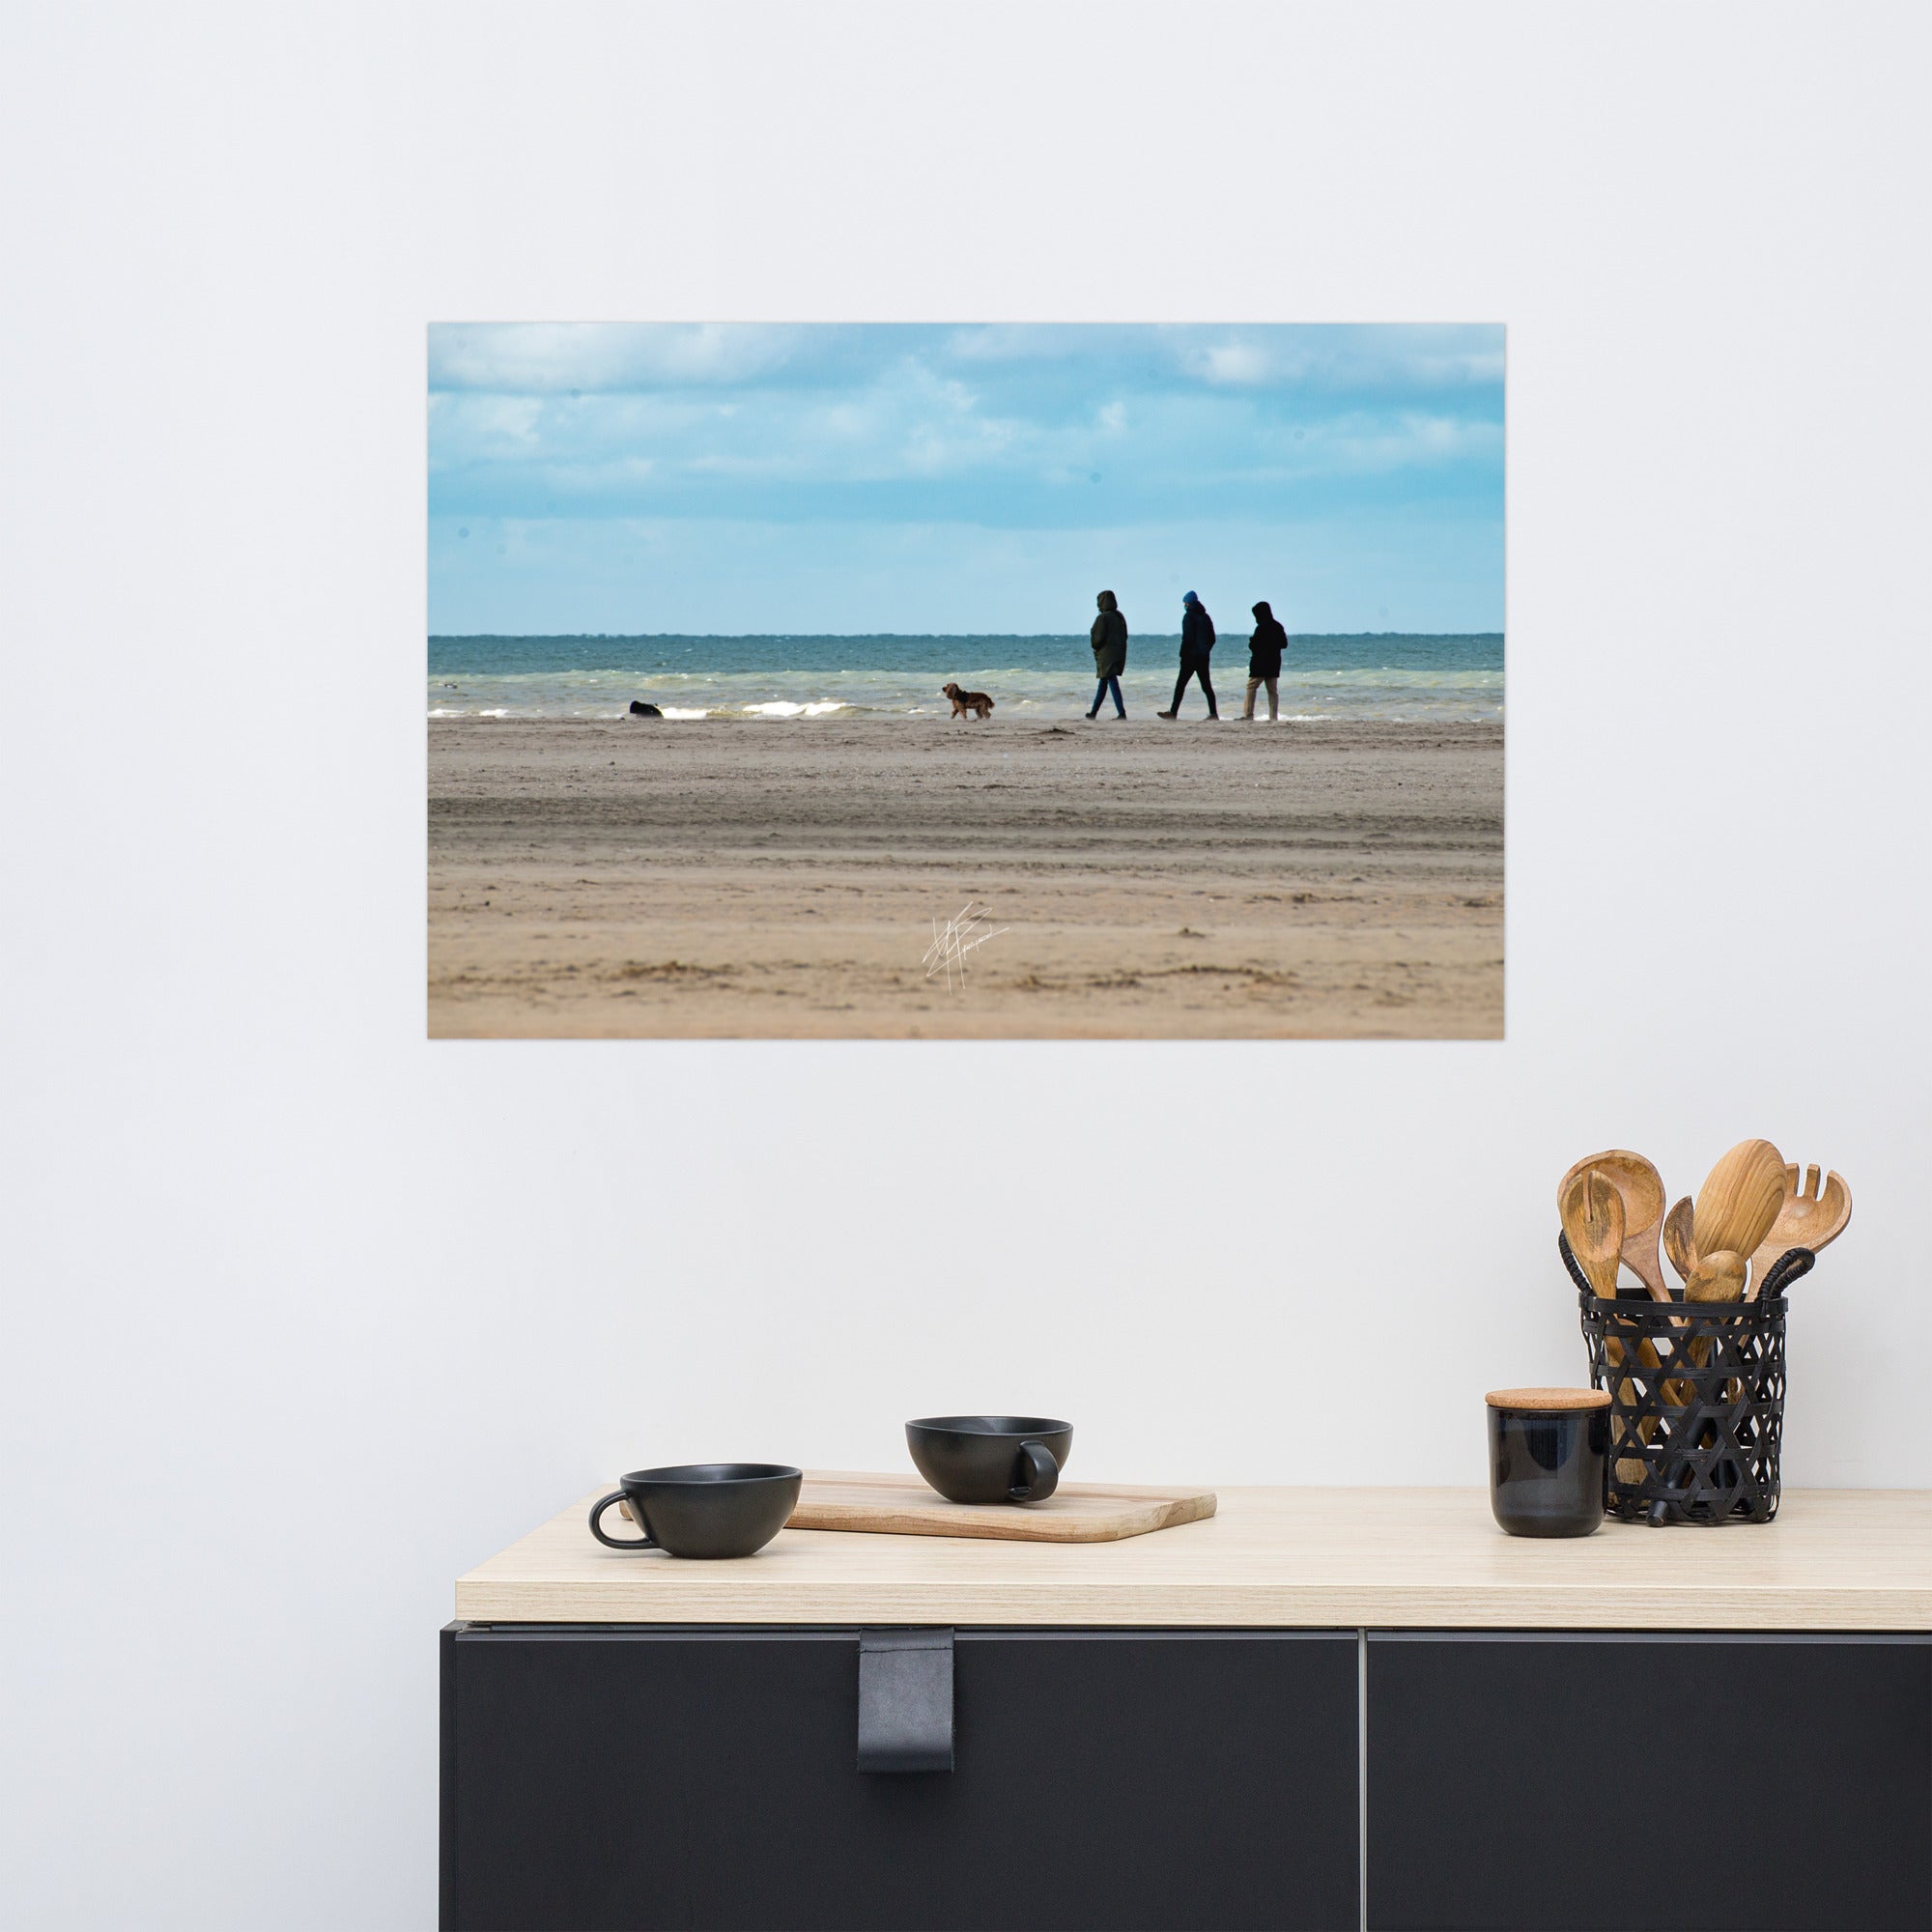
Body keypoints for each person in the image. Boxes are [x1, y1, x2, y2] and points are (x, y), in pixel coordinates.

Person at [1157, 590, 1218, 720]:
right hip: (1203, 657)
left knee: (1180, 685)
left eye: (1185, 602)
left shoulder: (1188, 616)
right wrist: (1206, 650)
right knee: (1207, 686)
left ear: (1188, 603)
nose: (1184, 605)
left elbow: (1187, 638)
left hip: (1190, 658)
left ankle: (1173, 713)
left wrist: (1182, 654)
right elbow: (1212, 638)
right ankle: (1214, 714)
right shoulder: (1206, 617)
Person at [1243, 599, 1288, 721]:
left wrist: (1252, 641)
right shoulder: (1278, 626)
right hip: (1274, 663)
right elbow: (1284, 644)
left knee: (1251, 687)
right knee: (1272, 692)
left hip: (1260, 664)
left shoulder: (1261, 628)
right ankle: (1273, 717)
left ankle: (1248, 715)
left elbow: (1254, 646)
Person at [1087, 589, 1127, 719]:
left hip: (1106, 656)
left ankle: (1122, 713)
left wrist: (1095, 648)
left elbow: (1097, 639)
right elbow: (1125, 635)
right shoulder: (1119, 616)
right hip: (1119, 653)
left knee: (1111, 683)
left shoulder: (1102, 618)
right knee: (1103, 683)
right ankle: (1093, 712)